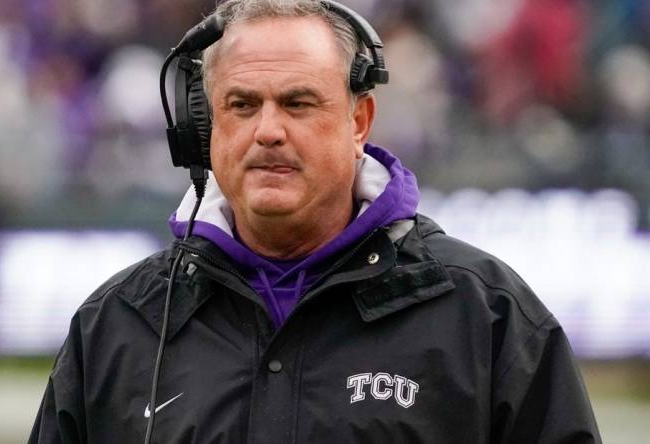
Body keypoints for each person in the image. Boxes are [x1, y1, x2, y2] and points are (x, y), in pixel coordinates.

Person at [30, 1, 601, 442]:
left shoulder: (486, 315)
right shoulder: (117, 326)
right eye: (243, 105)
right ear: (205, 129)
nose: (269, 130)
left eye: (298, 103)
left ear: (359, 121)